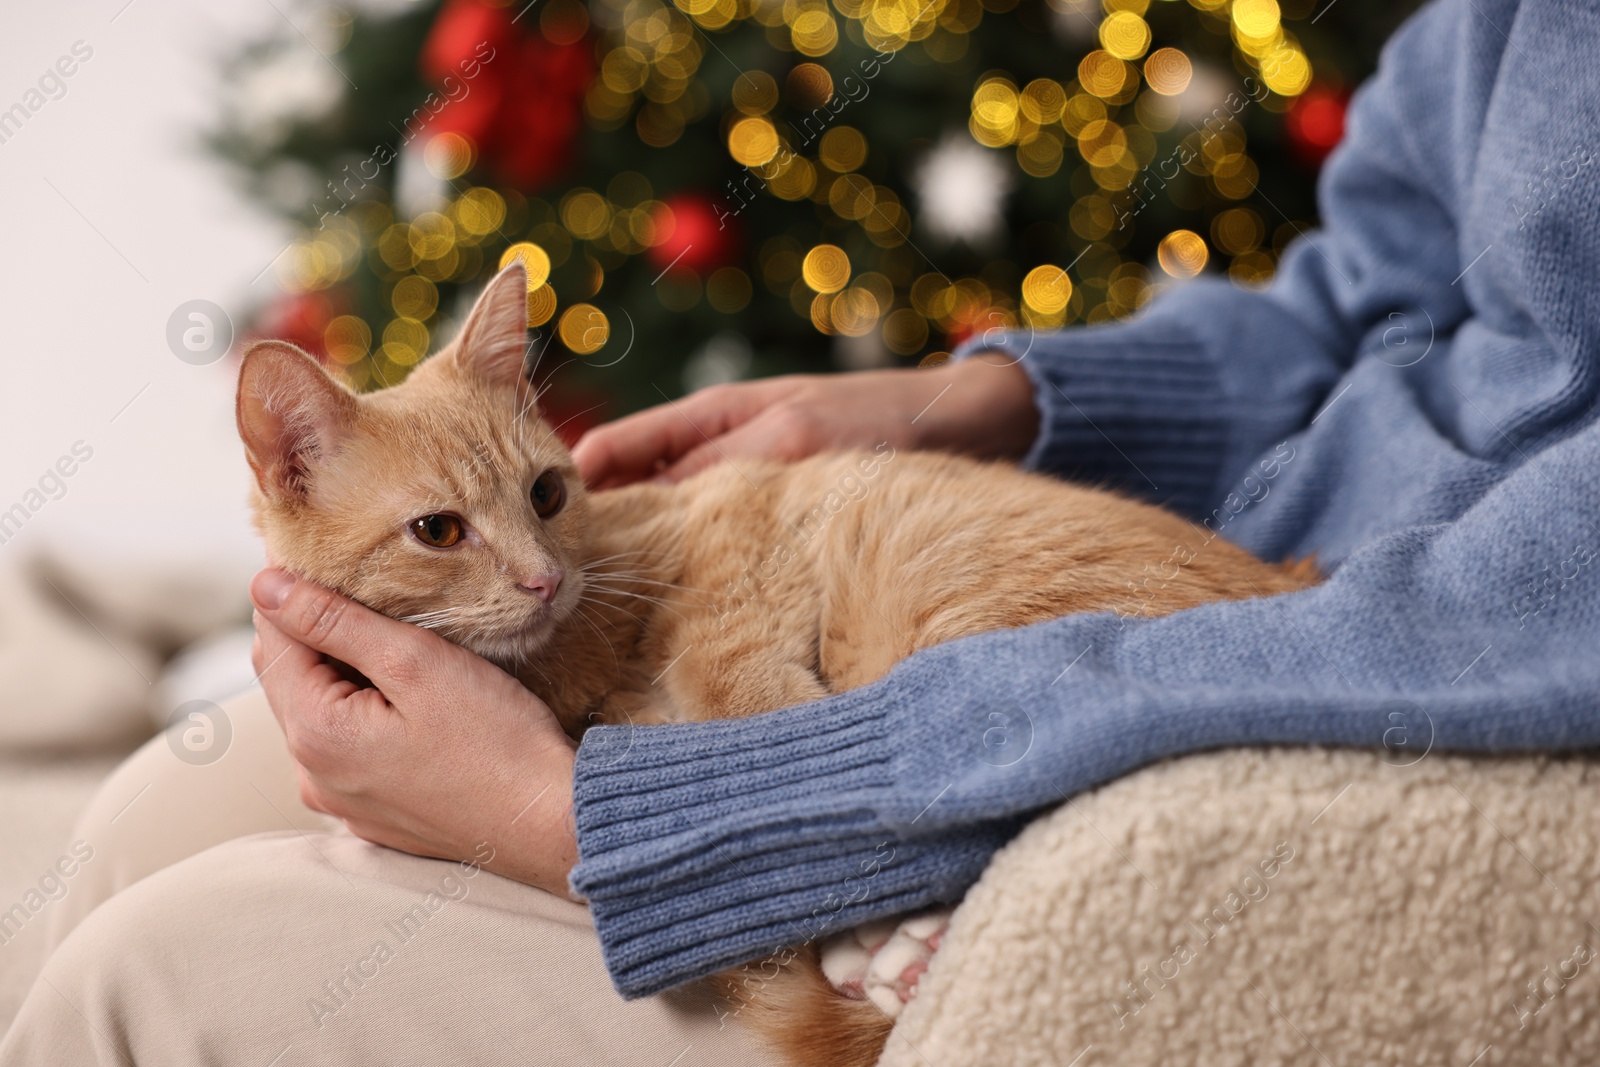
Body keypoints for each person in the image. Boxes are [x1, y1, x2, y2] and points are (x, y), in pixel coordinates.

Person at [8, 0, 1600, 1059]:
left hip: (1341, 687)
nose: (537, 565)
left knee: (139, 978)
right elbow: (1373, 288)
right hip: (1258, 549)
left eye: (541, 495)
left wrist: (616, 821)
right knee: (152, 816)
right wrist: (970, 400)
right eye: (445, 532)